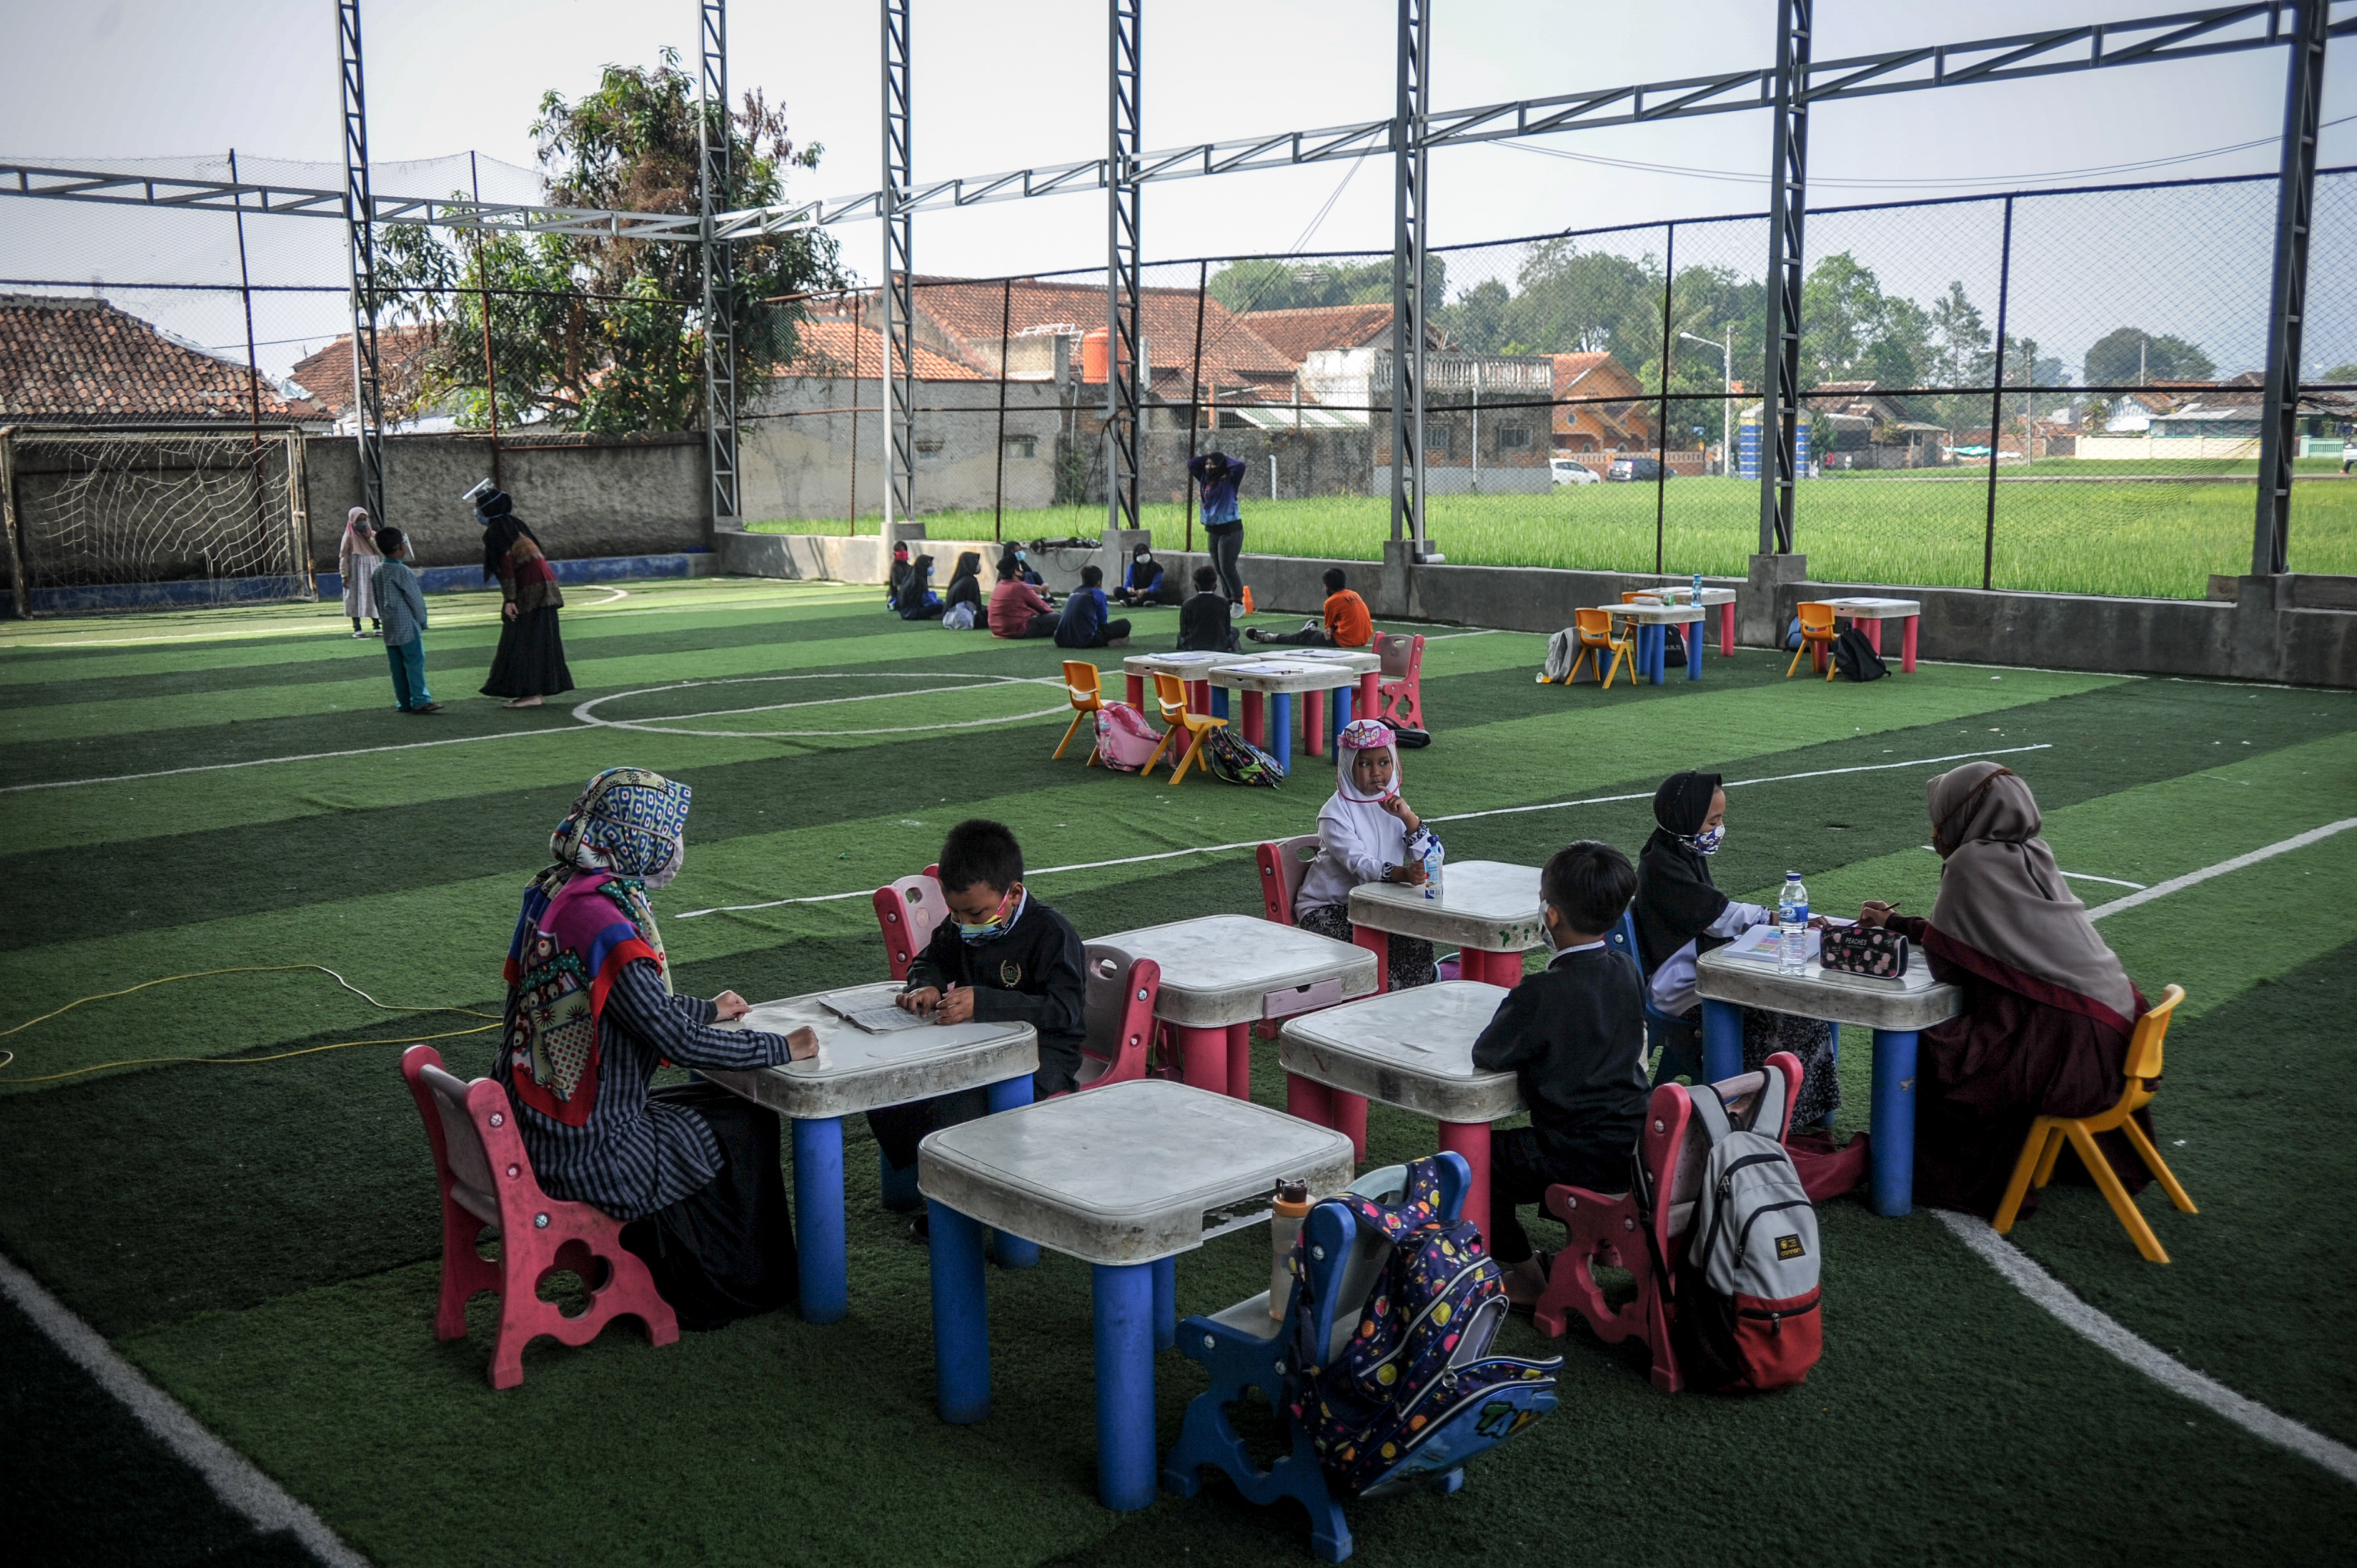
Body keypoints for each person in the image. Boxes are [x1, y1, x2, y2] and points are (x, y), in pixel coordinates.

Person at [492, 767, 818, 1329]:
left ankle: (702, 1268)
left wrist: (709, 1009)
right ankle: (719, 1289)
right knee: (744, 1123)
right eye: (669, 833)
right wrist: (781, 1046)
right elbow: (674, 1038)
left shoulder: (559, 890)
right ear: (635, 839)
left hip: (544, 1119)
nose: (675, 846)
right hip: (586, 1148)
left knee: (722, 1110)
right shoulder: (603, 923)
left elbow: (629, 1004)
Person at [1857, 762, 2155, 1219]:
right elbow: (1990, 943)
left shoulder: (1970, 863)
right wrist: (1898, 924)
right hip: (2119, 1044)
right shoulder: (2034, 852)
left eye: (1940, 818)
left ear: (1964, 814)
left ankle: (1921, 1175)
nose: (1935, 831)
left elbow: (1953, 962)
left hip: (2071, 1054)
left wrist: (1904, 930)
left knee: (1939, 1047)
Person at [868, 819, 1088, 1239]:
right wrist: (925, 984)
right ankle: (930, 1177)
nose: (964, 922)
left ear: (1014, 894)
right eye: (955, 912)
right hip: (976, 1044)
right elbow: (929, 960)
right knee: (892, 1087)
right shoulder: (961, 926)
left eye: (974, 913)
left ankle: (965, 1208)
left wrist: (985, 1002)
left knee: (960, 1104)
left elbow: (1065, 1010)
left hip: (1045, 1053)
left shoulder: (1051, 932)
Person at [1472, 840, 1648, 1308]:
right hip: (1632, 1145)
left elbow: (1488, 1052)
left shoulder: (1540, 992)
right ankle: (1588, 1247)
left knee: (1477, 1163)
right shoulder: (1626, 969)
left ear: (1550, 915)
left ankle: (1528, 1276)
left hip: (1574, 1152)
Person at [1632, 770, 1839, 1131]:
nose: (1719, 829)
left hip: (1697, 968)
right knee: (1781, 1013)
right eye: (1713, 821)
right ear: (1687, 818)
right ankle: (1757, 1116)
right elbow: (1716, 916)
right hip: (1678, 984)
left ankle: (1793, 1113)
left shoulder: (1679, 850)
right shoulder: (1661, 865)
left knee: (1801, 1008)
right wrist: (1773, 917)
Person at [1294, 719, 1441, 990]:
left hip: (1377, 903)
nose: (1377, 773)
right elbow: (1360, 864)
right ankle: (1380, 1001)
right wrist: (1404, 874)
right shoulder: (1334, 814)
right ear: (1348, 766)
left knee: (1417, 939)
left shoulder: (1395, 805)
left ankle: (1417, 996)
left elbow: (1435, 856)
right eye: (1364, 764)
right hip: (1330, 908)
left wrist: (1408, 818)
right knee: (1377, 949)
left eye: (1384, 762)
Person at [476, 487, 573, 709]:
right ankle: (535, 691)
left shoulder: (497, 532)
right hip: (546, 589)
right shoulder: (515, 525)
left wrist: (510, 600)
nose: (476, 512)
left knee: (523, 641)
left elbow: (506, 567)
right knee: (538, 640)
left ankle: (530, 694)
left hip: (531, 591)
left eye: (478, 507)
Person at [370, 526, 440, 715]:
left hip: (389, 626)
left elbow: (377, 599)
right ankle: (420, 700)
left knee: (397, 667)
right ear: (400, 546)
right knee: (414, 663)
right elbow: (415, 600)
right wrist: (422, 621)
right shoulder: (403, 572)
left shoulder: (378, 571)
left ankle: (404, 702)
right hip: (407, 626)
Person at [1248, 566, 1373, 648]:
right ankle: (1310, 631)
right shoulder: (1354, 594)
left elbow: (1328, 632)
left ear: (1327, 587)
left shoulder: (1332, 601)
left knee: (1303, 638)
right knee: (1312, 635)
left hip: (1345, 641)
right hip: (1363, 639)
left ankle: (1269, 637)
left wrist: (1329, 630)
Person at [1188, 451, 1246, 605]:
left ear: (1220, 466)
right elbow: (1192, 464)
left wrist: (1222, 458)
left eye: (1213, 465)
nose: (1209, 467)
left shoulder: (1230, 481)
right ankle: (1228, 600)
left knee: (1227, 567)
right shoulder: (1204, 479)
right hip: (1213, 530)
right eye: (1207, 464)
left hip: (1230, 530)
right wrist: (1211, 456)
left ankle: (1238, 600)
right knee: (1219, 569)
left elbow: (1240, 466)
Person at [1054, 563, 1132, 648]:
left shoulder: (1074, 592)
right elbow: (1103, 622)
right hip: (1084, 641)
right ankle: (1111, 642)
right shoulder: (1098, 593)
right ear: (1099, 582)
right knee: (1125, 624)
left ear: (1083, 579)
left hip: (1060, 640)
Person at [989, 554, 1059, 639]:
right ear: (1016, 571)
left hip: (997, 631)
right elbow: (1042, 607)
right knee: (1059, 618)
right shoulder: (1020, 587)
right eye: (1020, 567)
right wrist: (1055, 613)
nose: (1023, 570)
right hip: (1017, 630)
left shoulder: (999, 586)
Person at [1176, 563, 1239, 652]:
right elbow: (1227, 630)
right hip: (1218, 644)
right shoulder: (1223, 603)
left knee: (1179, 635)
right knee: (1235, 631)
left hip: (1194, 645)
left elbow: (1184, 632)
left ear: (1196, 586)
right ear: (1215, 586)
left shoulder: (1188, 604)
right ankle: (1230, 647)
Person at [339, 507, 381, 637]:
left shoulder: (373, 535)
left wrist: (369, 538)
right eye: (359, 520)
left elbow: (379, 551)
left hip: (372, 569)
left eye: (365, 519)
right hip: (356, 571)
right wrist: (344, 574)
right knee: (355, 597)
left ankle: (377, 626)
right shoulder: (349, 536)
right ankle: (357, 628)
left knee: (373, 596)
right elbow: (344, 556)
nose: (363, 523)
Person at [1111, 543, 1168, 608]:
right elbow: (1128, 582)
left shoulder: (1156, 567)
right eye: (1140, 554)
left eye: (1145, 553)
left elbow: (1156, 585)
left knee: (1158, 593)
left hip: (1148, 592)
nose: (1143, 555)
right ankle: (1140, 600)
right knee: (1117, 591)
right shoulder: (1133, 566)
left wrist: (1146, 590)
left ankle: (1133, 600)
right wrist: (1129, 589)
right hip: (1136, 592)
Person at [892, 553, 945, 620]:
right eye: (930, 566)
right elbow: (925, 601)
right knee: (941, 607)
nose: (932, 568)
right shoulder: (919, 580)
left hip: (906, 612)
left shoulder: (913, 576)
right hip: (911, 612)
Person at [941, 550, 984, 624]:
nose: (979, 566)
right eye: (977, 563)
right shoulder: (971, 582)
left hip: (949, 619)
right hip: (964, 620)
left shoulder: (958, 579)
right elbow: (974, 607)